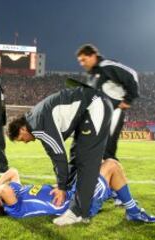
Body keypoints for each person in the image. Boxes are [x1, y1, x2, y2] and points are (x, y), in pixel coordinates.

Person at [7, 86, 113, 225]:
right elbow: (54, 155)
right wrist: (62, 184)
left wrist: (61, 187)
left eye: (22, 139)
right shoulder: (35, 121)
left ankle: (78, 213)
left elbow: (58, 155)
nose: (25, 142)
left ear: (23, 129)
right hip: (88, 110)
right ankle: (113, 194)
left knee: (87, 161)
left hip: (95, 106)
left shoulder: (38, 126)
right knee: (76, 156)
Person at [0, 159, 155, 224]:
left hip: (72, 192)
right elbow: (5, 189)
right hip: (78, 205)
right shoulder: (13, 208)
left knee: (95, 160)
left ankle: (111, 192)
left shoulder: (16, 191)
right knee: (111, 166)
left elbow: (13, 172)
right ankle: (132, 211)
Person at [68, 44, 140, 162]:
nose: (82, 64)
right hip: (97, 117)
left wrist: (128, 100)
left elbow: (132, 74)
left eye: (84, 60)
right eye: (80, 61)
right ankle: (78, 177)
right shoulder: (92, 75)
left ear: (93, 56)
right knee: (79, 147)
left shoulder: (107, 66)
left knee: (107, 152)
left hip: (113, 113)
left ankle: (112, 178)